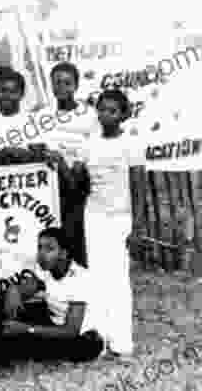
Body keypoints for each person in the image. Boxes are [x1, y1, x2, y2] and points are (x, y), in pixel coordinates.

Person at [0, 227, 104, 377]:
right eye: (40, 247)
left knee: (18, 338)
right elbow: (24, 289)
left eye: (49, 249)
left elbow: (70, 331)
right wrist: (14, 292)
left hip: (83, 341)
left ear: (64, 254)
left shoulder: (81, 279)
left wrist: (27, 329)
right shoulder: (47, 270)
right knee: (4, 302)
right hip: (54, 322)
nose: (41, 254)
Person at [74, 89, 143, 358]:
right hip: (94, 216)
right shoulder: (89, 144)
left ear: (124, 114)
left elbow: (138, 187)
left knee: (118, 278)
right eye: (101, 110)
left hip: (120, 218)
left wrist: (138, 227)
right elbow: (80, 183)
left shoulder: (132, 144)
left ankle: (122, 341)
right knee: (98, 278)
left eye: (112, 111)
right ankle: (100, 339)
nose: (106, 115)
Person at [42, 62, 97, 267]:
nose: (62, 88)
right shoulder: (43, 115)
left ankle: (78, 277)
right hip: (50, 182)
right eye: (57, 83)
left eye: (67, 83)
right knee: (53, 232)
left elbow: (94, 146)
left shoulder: (89, 115)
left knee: (75, 233)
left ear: (76, 86)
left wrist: (76, 162)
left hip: (76, 181)